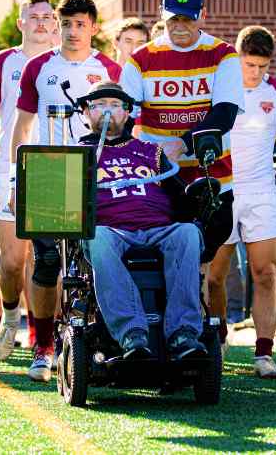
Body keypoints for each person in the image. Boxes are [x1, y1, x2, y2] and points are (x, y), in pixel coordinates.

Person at [5, 0, 121, 382]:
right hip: (49, 176)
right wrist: (15, 179)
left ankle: (93, 341)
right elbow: (20, 128)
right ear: (58, 25)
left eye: (80, 24)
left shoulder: (108, 70)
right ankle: (41, 346)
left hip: (95, 178)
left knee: (93, 261)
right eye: (66, 24)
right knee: (48, 262)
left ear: (94, 28)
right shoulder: (39, 67)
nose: (73, 32)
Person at [120, 0, 244, 341]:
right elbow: (124, 114)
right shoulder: (141, 59)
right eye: (174, 20)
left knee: (203, 253)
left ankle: (196, 325)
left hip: (214, 177)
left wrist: (183, 142)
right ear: (162, 17)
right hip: (161, 181)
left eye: (188, 20)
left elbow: (224, 114)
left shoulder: (222, 55)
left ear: (201, 16)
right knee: (161, 254)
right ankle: (165, 327)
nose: (181, 27)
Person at [78, 81, 207, 359]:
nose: (107, 111)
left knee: (187, 233)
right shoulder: (76, 155)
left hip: (159, 228)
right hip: (110, 230)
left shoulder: (151, 151)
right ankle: (132, 333)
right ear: (86, 113)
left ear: (127, 113)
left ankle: (183, 333)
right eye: (99, 105)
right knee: (96, 237)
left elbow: (179, 196)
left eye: (115, 105)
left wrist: (201, 195)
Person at [207, 26, 276, 378]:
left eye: (263, 66)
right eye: (250, 64)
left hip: (262, 192)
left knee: (266, 273)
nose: (256, 72)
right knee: (215, 276)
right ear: (238, 57)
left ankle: (264, 353)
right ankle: (217, 336)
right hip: (221, 190)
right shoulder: (216, 86)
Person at [0, 0, 58, 361]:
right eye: (33, 17)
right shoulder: (0, 64)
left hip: (57, 170)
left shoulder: (68, 61)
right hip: (10, 170)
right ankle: (10, 316)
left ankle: (45, 339)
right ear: (20, 23)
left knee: (49, 261)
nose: (40, 23)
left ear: (55, 23)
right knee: (11, 262)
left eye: (46, 17)